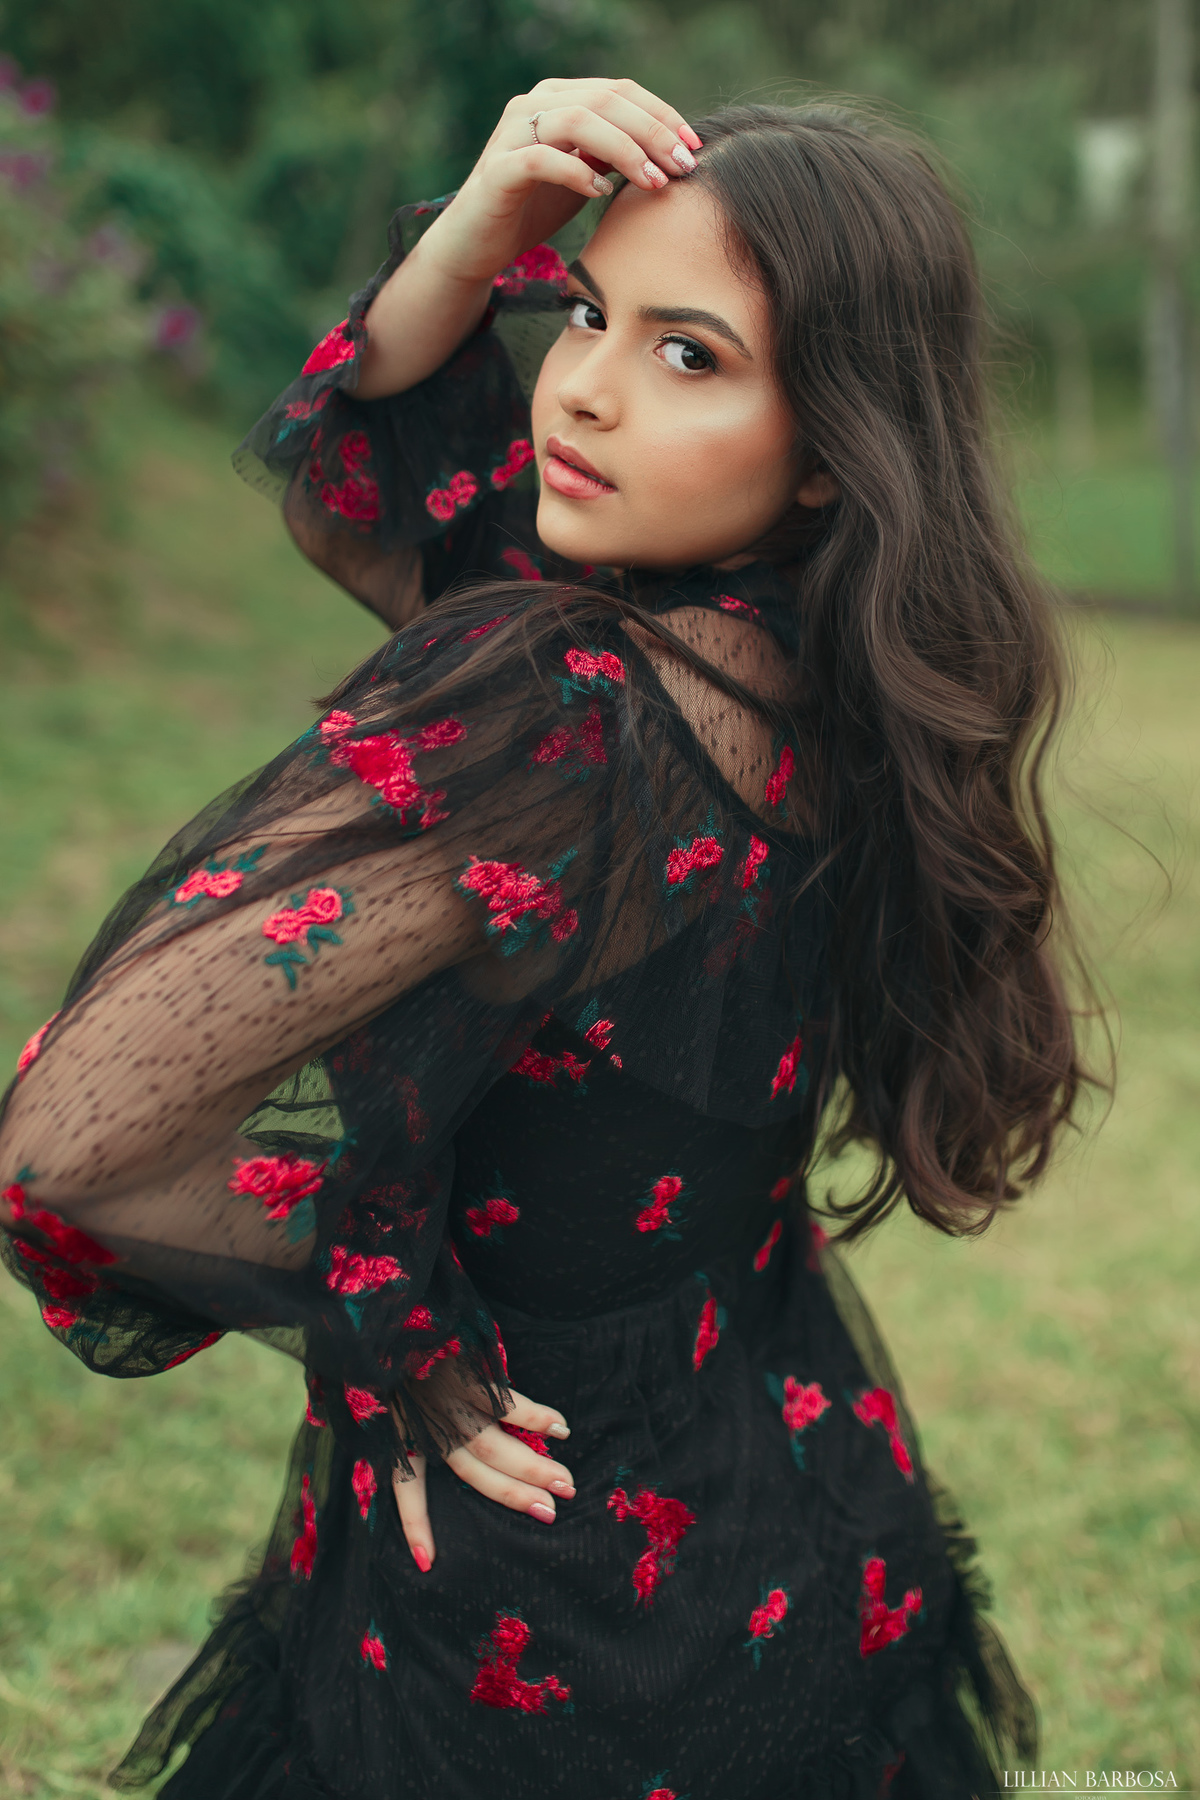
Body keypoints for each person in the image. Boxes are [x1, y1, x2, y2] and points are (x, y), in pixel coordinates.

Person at [0, 79, 1085, 1800]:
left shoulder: (572, 714)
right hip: (789, 1522)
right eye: (584, 309)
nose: (578, 386)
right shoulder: (837, 663)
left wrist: (395, 1307)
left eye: (689, 353)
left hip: (531, 1608)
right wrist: (476, 236)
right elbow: (377, 506)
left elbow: (64, 1149)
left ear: (832, 449)